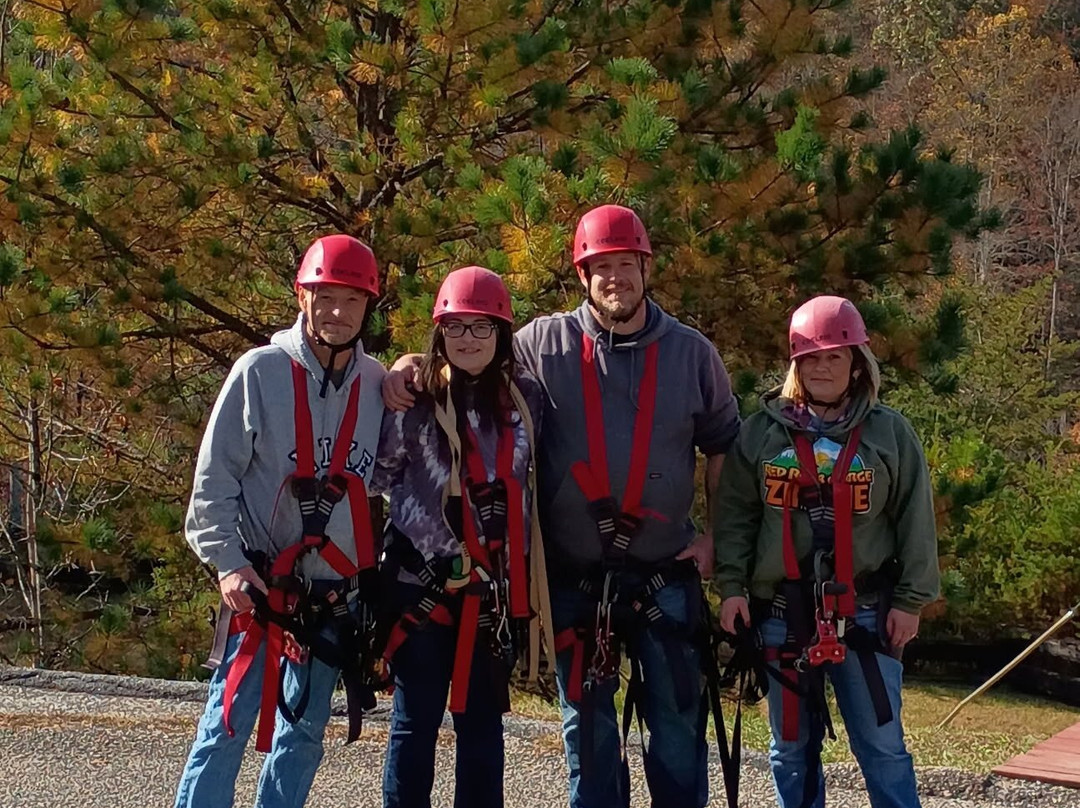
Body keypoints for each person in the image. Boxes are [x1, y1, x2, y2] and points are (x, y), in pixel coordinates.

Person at [383, 205, 741, 808]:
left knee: (678, 728)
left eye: (625, 265)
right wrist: (411, 366)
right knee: (590, 733)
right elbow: (472, 356)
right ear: (582, 276)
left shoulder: (691, 354)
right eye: (600, 267)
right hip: (574, 578)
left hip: (664, 572)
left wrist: (716, 540)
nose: (614, 279)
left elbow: (724, 449)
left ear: (646, 268)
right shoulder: (540, 344)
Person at [174, 234, 387, 808]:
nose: (338, 313)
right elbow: (213, 484)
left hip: (334, 596)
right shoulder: (259, 373)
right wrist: (229, 565)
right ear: (301, 295)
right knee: (226, 727)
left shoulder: (377, 386)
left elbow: (397, 475)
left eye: (352, 300)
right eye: (325, 297)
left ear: (369, 306)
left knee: (304, 736)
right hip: (263, 586)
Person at [713, 295, 940, 808]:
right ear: (796, 363)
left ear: (857, 362)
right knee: (790, 749)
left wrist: (911, 600)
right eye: (811, 357)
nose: (822, 367)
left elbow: (915, 522)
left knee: (882, 747)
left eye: (835, 356)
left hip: (864, 613)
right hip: (781, 614)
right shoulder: (762, 433)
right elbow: (735, 520)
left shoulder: (889, 433)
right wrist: (731, 589)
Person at [371, 265, 548, 808]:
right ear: (438, 333)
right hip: (421, 587)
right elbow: (379, 475)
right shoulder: (415, 397)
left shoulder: (527, 400)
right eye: (455, 327)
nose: (467, 339)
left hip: (490, 592)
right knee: (413, 723)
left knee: (482, 732)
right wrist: (398, 373)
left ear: (501, 334)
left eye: (481, 327)